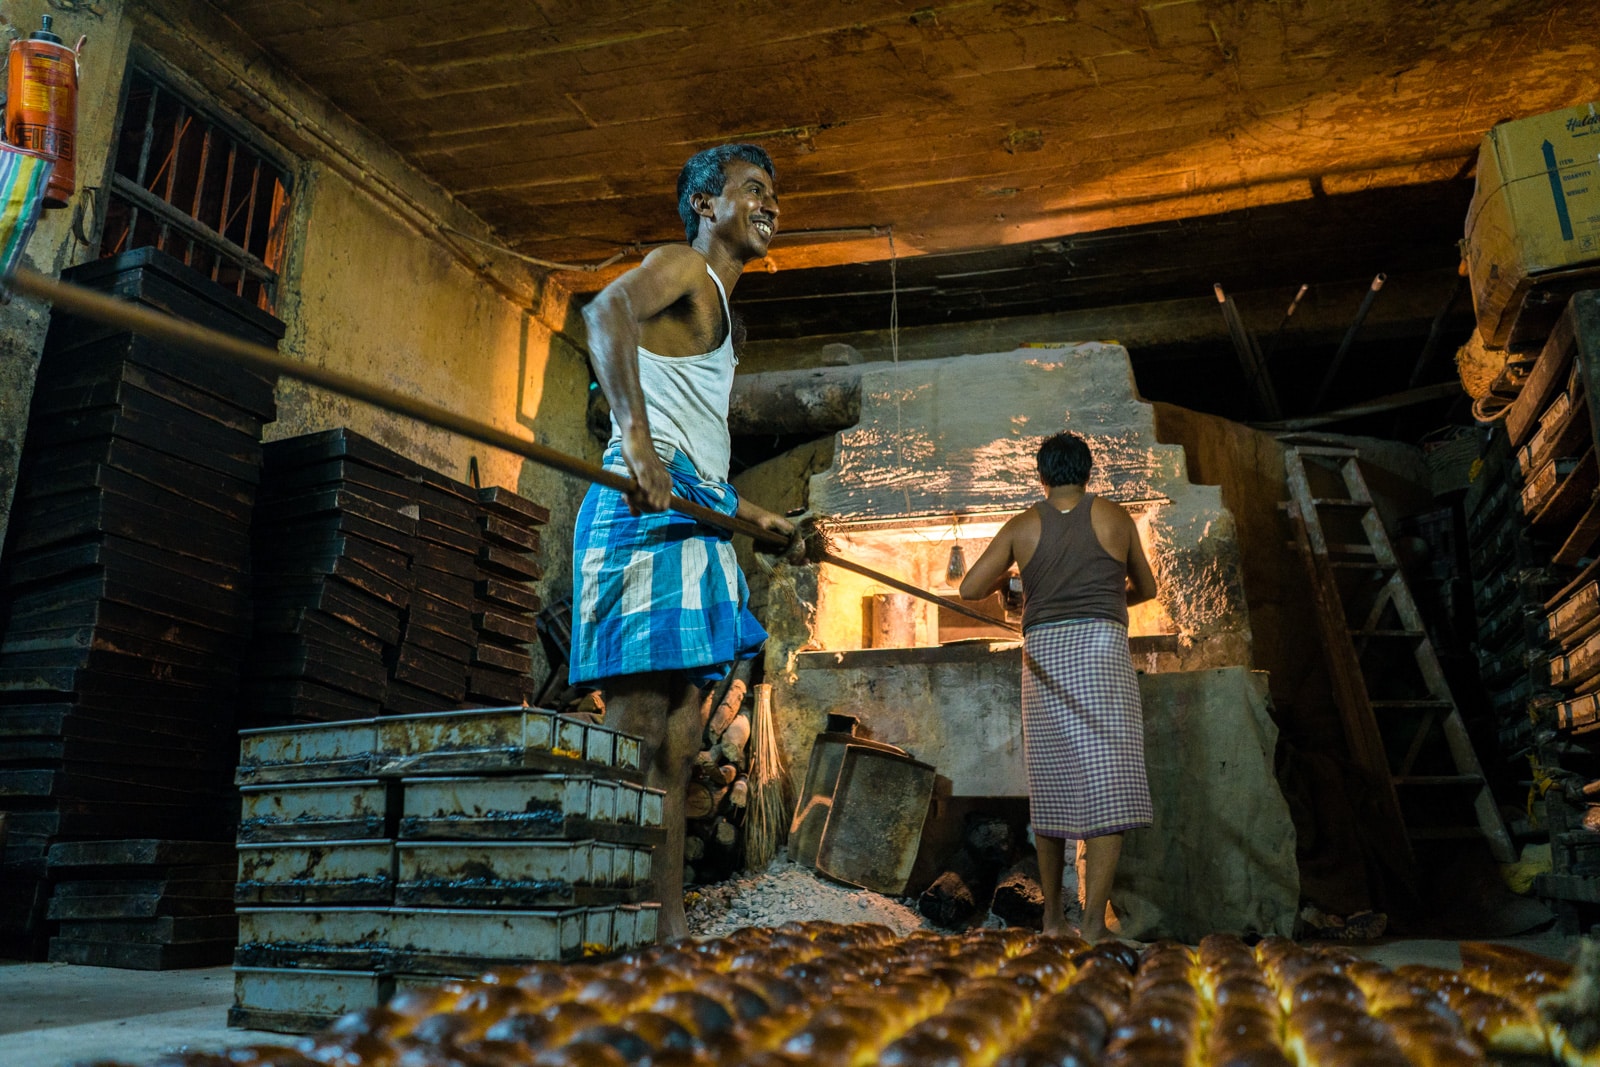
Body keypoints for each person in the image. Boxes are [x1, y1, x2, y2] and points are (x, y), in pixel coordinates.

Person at [571, 143, 796, 942]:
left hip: (693, 515)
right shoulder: (682, 266)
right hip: (639, 513)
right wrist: (635, 441)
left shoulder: (726, 318)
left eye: (774, 194)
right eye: (753, 190)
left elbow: (697, 450)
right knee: (634, 735)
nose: (771, 205)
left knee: (679, 744)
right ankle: (602, 928)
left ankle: (665, 932)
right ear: (706, 203)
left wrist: (758, 519)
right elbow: (603, 314)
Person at [958, 431, 1158, 940]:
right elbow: (1148, 588)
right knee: (1109, 779)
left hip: (1045, 656)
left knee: (1052, 781)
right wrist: (1107, 600)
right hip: (1102, 654)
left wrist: (1014, 586)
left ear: (1041, 476)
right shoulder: (1115, 516)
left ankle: (1052, 921)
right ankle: (1094, 924)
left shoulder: (1024, 524)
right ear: (1088, 472)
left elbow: (969, 587)